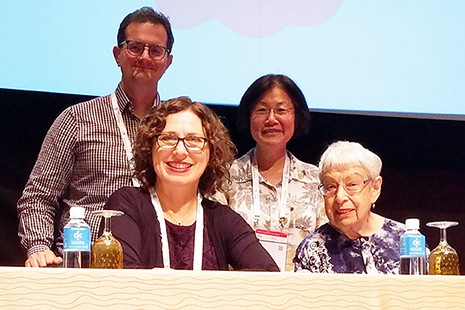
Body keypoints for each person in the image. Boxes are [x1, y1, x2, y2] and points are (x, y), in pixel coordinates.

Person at [17, 7, 174, 267]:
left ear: (168, 61)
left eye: (155, 50)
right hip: (85, 263)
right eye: (135, 47)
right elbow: (39, 196)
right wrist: (39, 247)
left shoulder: (178, 125)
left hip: (156, 265)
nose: (145, 56)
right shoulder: (76, 119)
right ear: (118, 54)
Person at [102, 97, 279, 271]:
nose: (180, 151)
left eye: (194, 140)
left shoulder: (222, 218)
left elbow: (268, 275)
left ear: (211, 153)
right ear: (150, 148)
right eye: (168, 138)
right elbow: (124, 279)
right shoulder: (127, 205)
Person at [213, 74, 326, 271]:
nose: (271, 119)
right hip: (241, 290)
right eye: (262, 110)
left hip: (302, 290)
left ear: (296, 116)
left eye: (281, 110)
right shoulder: (225, 177)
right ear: (248, 116)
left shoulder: (316, 179)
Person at [294, 141, 406, 274]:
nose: (340, 197)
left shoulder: (405, 240)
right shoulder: (312, 248)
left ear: (375, 188)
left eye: (352, 184)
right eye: (331, 186)